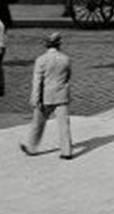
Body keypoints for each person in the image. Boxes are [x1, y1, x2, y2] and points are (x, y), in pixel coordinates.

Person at [22, 32, 76, 160]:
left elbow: (37, 81)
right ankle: (66, 151)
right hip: (61, 95)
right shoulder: (65, 59)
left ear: (46, 45)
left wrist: (35, 98)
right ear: (59, 45)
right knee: (64, 124)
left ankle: (32, 147)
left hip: (45, 96)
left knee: (38, 124)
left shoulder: (41, 60)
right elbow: (68, 76)